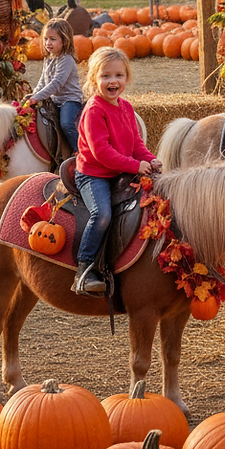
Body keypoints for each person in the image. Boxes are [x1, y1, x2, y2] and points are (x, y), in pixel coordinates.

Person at [74, 46, 160, 294]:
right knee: (102, 214)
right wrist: (135, 166)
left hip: (120, 171)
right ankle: (85, 269)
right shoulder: (94, 110)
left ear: (126, 78)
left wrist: (151, 160)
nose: (113, 81)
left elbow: (136, 145)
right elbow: (101, 152)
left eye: (119, 75)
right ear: (94, 79)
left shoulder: (126, 107)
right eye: (105, 76)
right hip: (94, 174)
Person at [29, 18, 85, 154]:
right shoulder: (48, 58)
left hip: (69, 100)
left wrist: (38, 97)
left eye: (53, 39)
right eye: (46, 39)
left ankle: (79, 149)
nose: (48, 43)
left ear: (64, 41)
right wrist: (34, 95)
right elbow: (43, 80)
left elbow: (57, 83)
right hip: (55, 100)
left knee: (66, 124)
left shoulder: (67, 60)